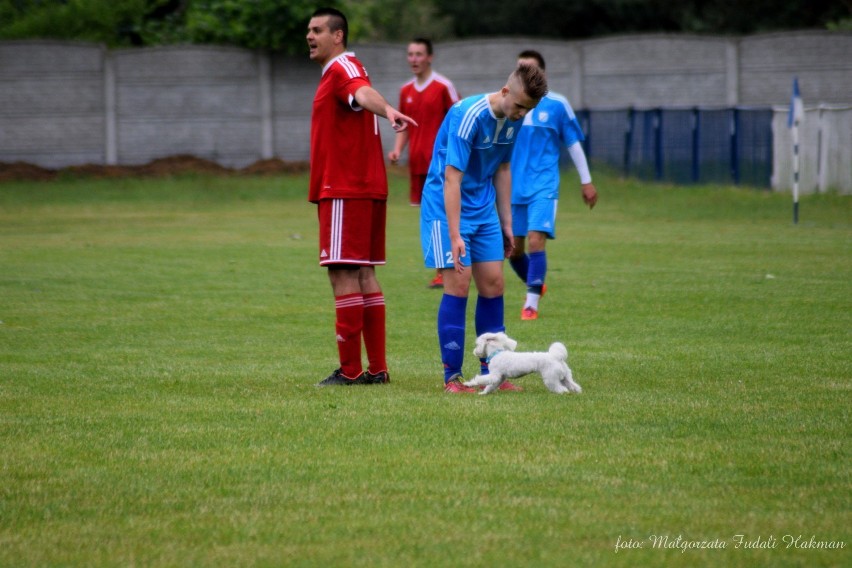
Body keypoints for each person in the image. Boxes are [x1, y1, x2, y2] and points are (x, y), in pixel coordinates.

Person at [419, 63, 548, 393]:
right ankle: (452, 378)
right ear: (505, 92)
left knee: (494, 284)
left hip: (483, 208)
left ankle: (493, 373)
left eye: (528, 110)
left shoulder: (515, 120)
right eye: (518, 106)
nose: (521, 114)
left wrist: (507, 223)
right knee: (458, 287)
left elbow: (502, 168)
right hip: (446, 207)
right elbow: (452, 178)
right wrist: (454, 235)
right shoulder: (468, 115)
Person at [306, 7, 416, 386]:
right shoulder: (343, 70)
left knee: (342, 274)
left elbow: (361, 91)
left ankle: (351, 371)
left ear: (338, 36)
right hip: (364, 186)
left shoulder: (343, 68)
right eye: (309, 29)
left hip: (344, 187)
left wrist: (386, 109)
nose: (310, 35)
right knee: (364, 272)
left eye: (317, 29)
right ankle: (378, 369)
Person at [508, 50, 598, 321]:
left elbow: (572, 142)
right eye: (519, 71)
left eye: (529, 70)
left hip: (544, 184)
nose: (524, 76)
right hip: (513, 186)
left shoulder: (558, 104)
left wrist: (586, 181)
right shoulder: (508, 104)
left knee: (537, 240)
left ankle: (531, 304)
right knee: (513, 249)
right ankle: (537, 283)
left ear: (542, 75)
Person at [388, 38, 460, 289]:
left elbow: (458, 120)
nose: (414, 59)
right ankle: (443, 268)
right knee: (429, 217)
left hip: (441, 166)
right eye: (410, 54)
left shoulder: (443, 86)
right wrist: (398, 149)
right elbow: (403, 125)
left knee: (443, 214)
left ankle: (449, 267)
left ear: (430, 57)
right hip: (417, 165)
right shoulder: (406, 90)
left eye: (419, 54)